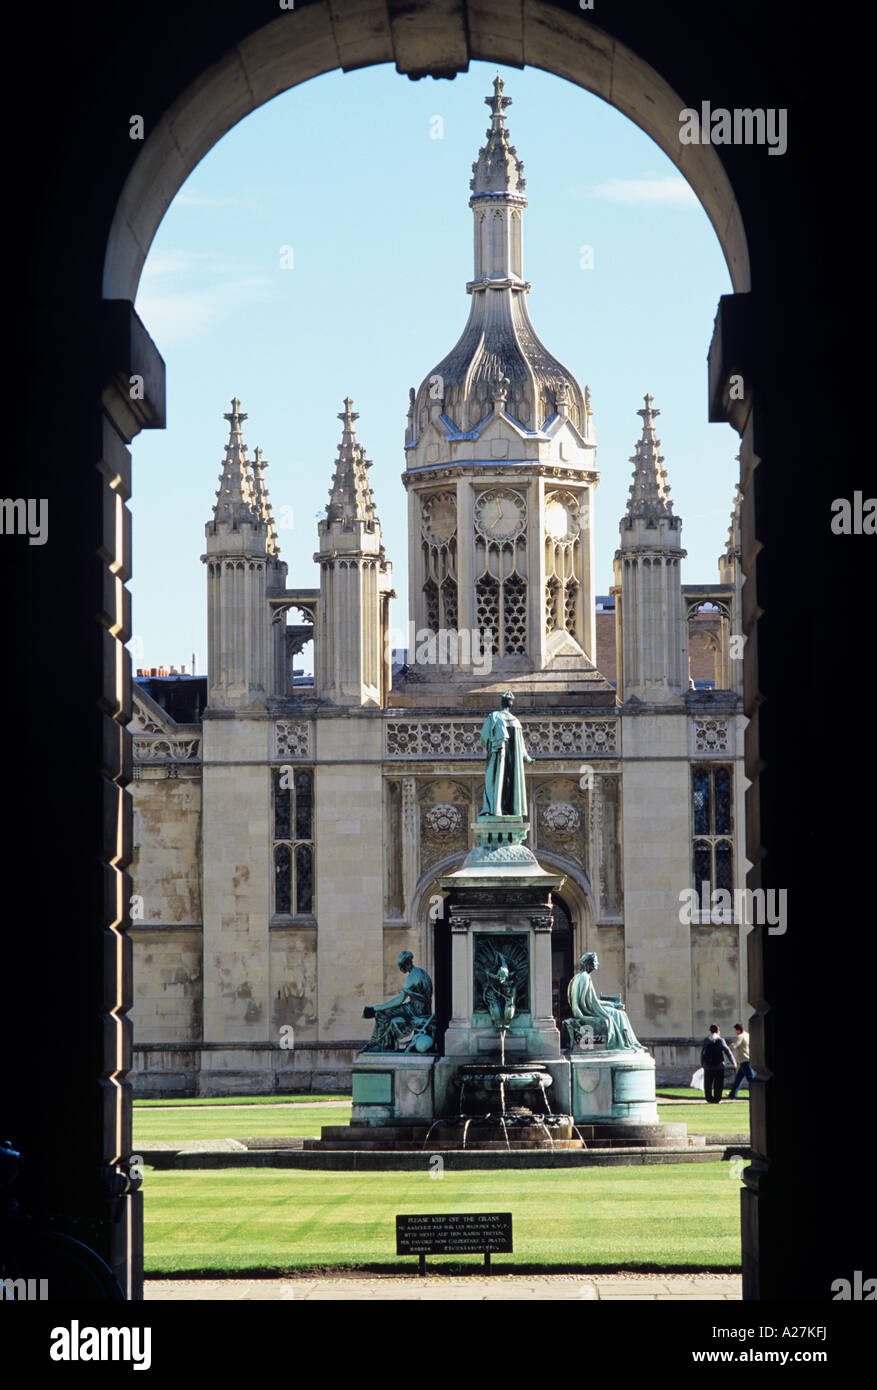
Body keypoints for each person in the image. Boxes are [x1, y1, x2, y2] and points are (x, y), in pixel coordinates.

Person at [565, 952, 646, 1052]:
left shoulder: (580, 976)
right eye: (595, 961)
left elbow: (593, 1001)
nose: (597, 963)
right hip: (590, 1011)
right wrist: (582, 1017)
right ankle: (628, 1043)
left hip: (592, 1009)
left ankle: (632, 1042)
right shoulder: (584, 978)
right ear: (589, 963)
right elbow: (587, 1004)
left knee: (620, 1014)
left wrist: (613, 1004)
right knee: (620, 1015)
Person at [361, 951, 434, 1052]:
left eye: (400, 966)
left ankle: (381, 1045)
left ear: (406, 964)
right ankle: (381, 1043)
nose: (400, 969)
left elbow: (399, 1000)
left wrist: (376, 1008)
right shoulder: (421, 972)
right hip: (420, 1008)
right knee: (385, 1013)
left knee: (382, 1014)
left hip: (415, 1010)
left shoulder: (412, 977)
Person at [479, 690, 534, 818]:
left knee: (493, 783)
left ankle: (493, 809)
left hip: (498, 757)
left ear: (501, 703)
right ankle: (510, 810)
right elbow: (521, 748)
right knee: (510, 786)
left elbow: (484, 737)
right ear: (511, 705)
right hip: (513, 763)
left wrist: (489, 745)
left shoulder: (494, 717)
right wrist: (528, 758)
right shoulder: (516, 722)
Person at [700, 1024, 736, 1103]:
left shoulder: (706, 1039)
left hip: (708, 1065)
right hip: (719, 1065)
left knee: (708, 1083)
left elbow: (703, 1052)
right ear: (718, 1031)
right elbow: (727, 1051)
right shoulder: (720, 1039)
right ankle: (717, 1098)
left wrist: (702, 1064)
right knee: (718, 1083)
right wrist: (733, 1062)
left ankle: (709, 1098)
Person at [727, 1022, 755, 1099]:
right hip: (748, 1059)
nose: (735, 1032)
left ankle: (756, 1093)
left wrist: (724, 1050)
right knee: (738, 1079)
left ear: (738, 1030)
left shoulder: (740, 1037)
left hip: (745, 1060)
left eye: (735, 1030)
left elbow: (733, 1046)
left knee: (751, 1078)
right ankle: (732, 1094)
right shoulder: (748, 1035)